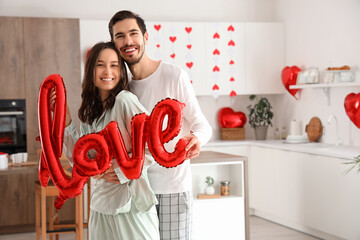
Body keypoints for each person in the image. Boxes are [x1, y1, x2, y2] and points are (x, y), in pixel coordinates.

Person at [106, 10, 213, 240]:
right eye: (120, 36)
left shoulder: (174, 75)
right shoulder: (121, 90)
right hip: (136, 190)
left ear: (145, 37)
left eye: (133, 33)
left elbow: (203, 125)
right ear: (114, 43)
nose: (128, 41)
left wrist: (196, 139)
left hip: (173, 189)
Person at [60, 42, 160, 240]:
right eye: (100, 65)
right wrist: (66, 120)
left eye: (114, 65)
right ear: (91, 70)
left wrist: (121, 171)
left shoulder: (125, 101)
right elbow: (81, 160)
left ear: (121, 71)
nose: (108, 71)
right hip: (100, 204)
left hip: (130, 205)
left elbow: (153, 148)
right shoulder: (90, 112)